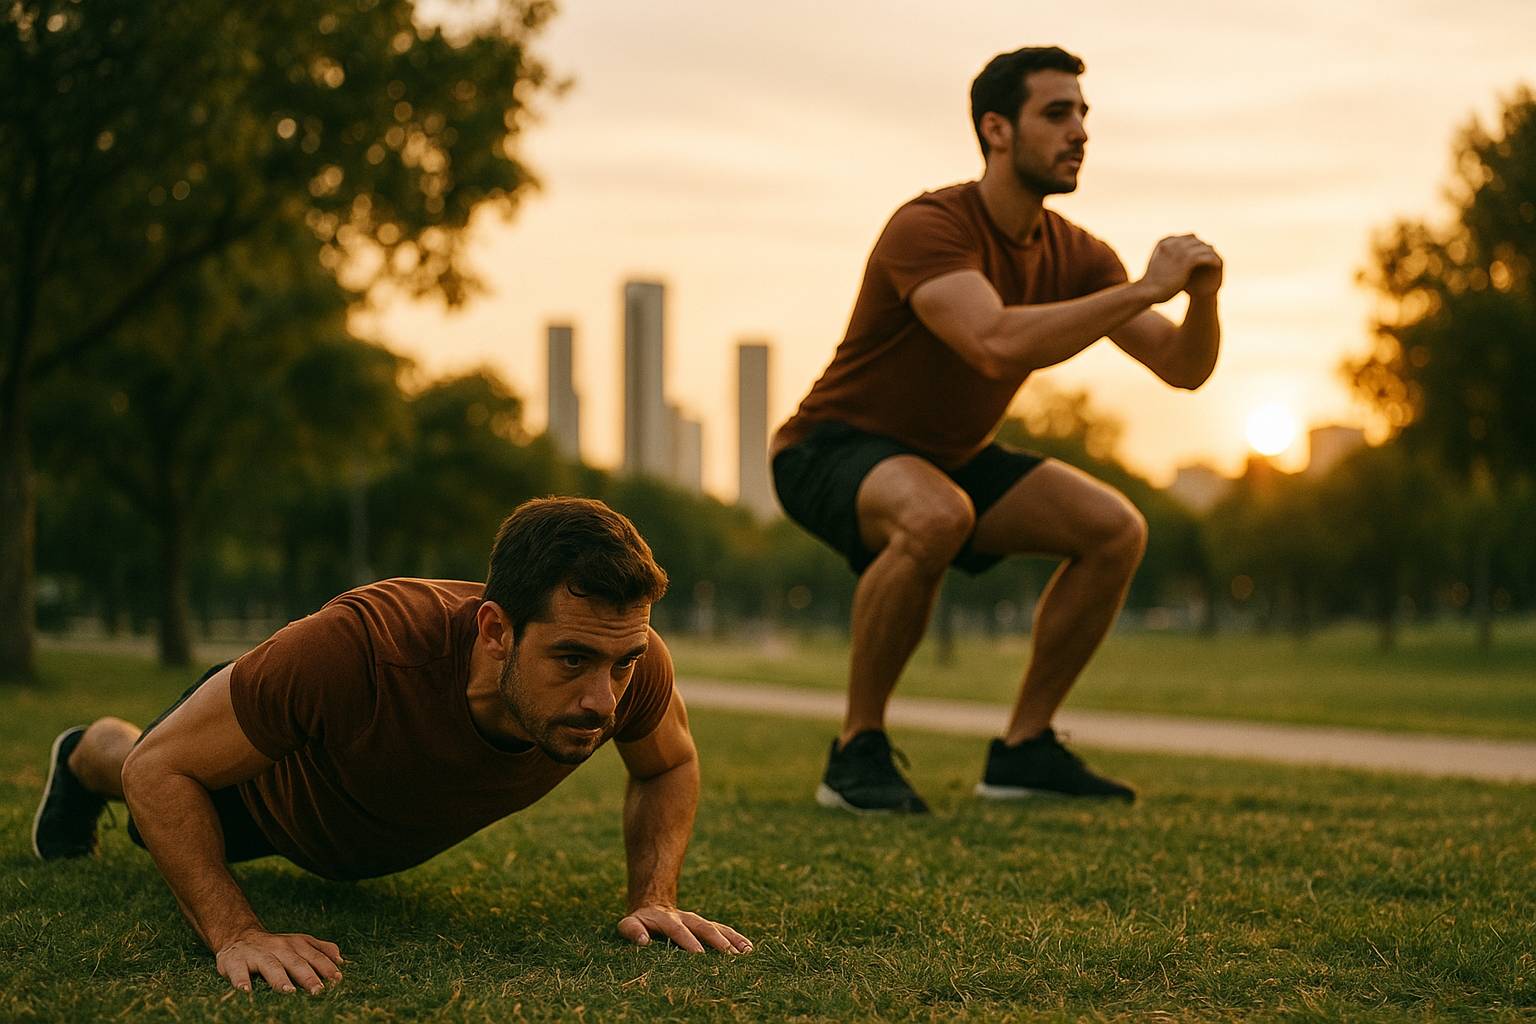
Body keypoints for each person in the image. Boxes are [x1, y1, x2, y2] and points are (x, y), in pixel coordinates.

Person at [31, 497, 752, 994]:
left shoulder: (633, 661)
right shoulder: (359, 646)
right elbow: (164, 770)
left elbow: (670, 763)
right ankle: (82, 750)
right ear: (495, 631)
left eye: (621, 662)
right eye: (572, 661)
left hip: (342, 829)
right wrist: (237, 932)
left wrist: (653, 897)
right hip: (256, 786)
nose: (605, 700)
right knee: (131, 764)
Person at [772, 46, 1224, 814]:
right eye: (1057, 113)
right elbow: (993, 342)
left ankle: (1023, 751)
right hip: (830, 447)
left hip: (950, 456)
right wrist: (1147, 287)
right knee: (938, 513)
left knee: (1114, 530)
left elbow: (1182, 369)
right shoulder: (931, 226)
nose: (1079, 131)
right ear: (997, 129)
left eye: (1083, 114)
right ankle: (856, 752)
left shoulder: (1078, 254)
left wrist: (1201, 300)